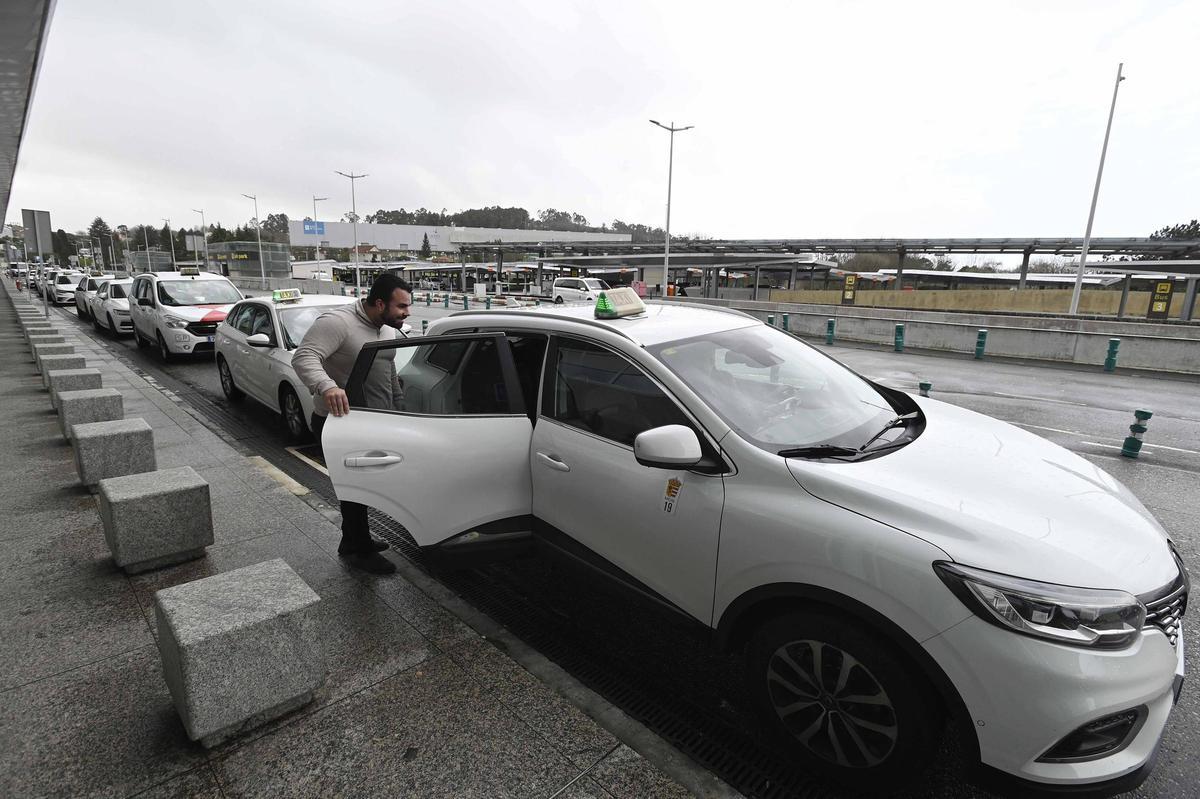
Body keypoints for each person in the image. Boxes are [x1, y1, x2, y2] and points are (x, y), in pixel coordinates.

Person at [292, 272, 413, 574]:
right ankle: (360, 551)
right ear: (380, 303)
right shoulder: (338, 323)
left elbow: (387, 371)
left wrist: (399, 407)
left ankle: (353, 541)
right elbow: (304, 356)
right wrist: (327, 386)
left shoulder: (386, 329)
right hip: (339, 423)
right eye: (401, 307)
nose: (406, 313)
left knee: (365, 485)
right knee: (354, 488)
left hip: (372, 421)